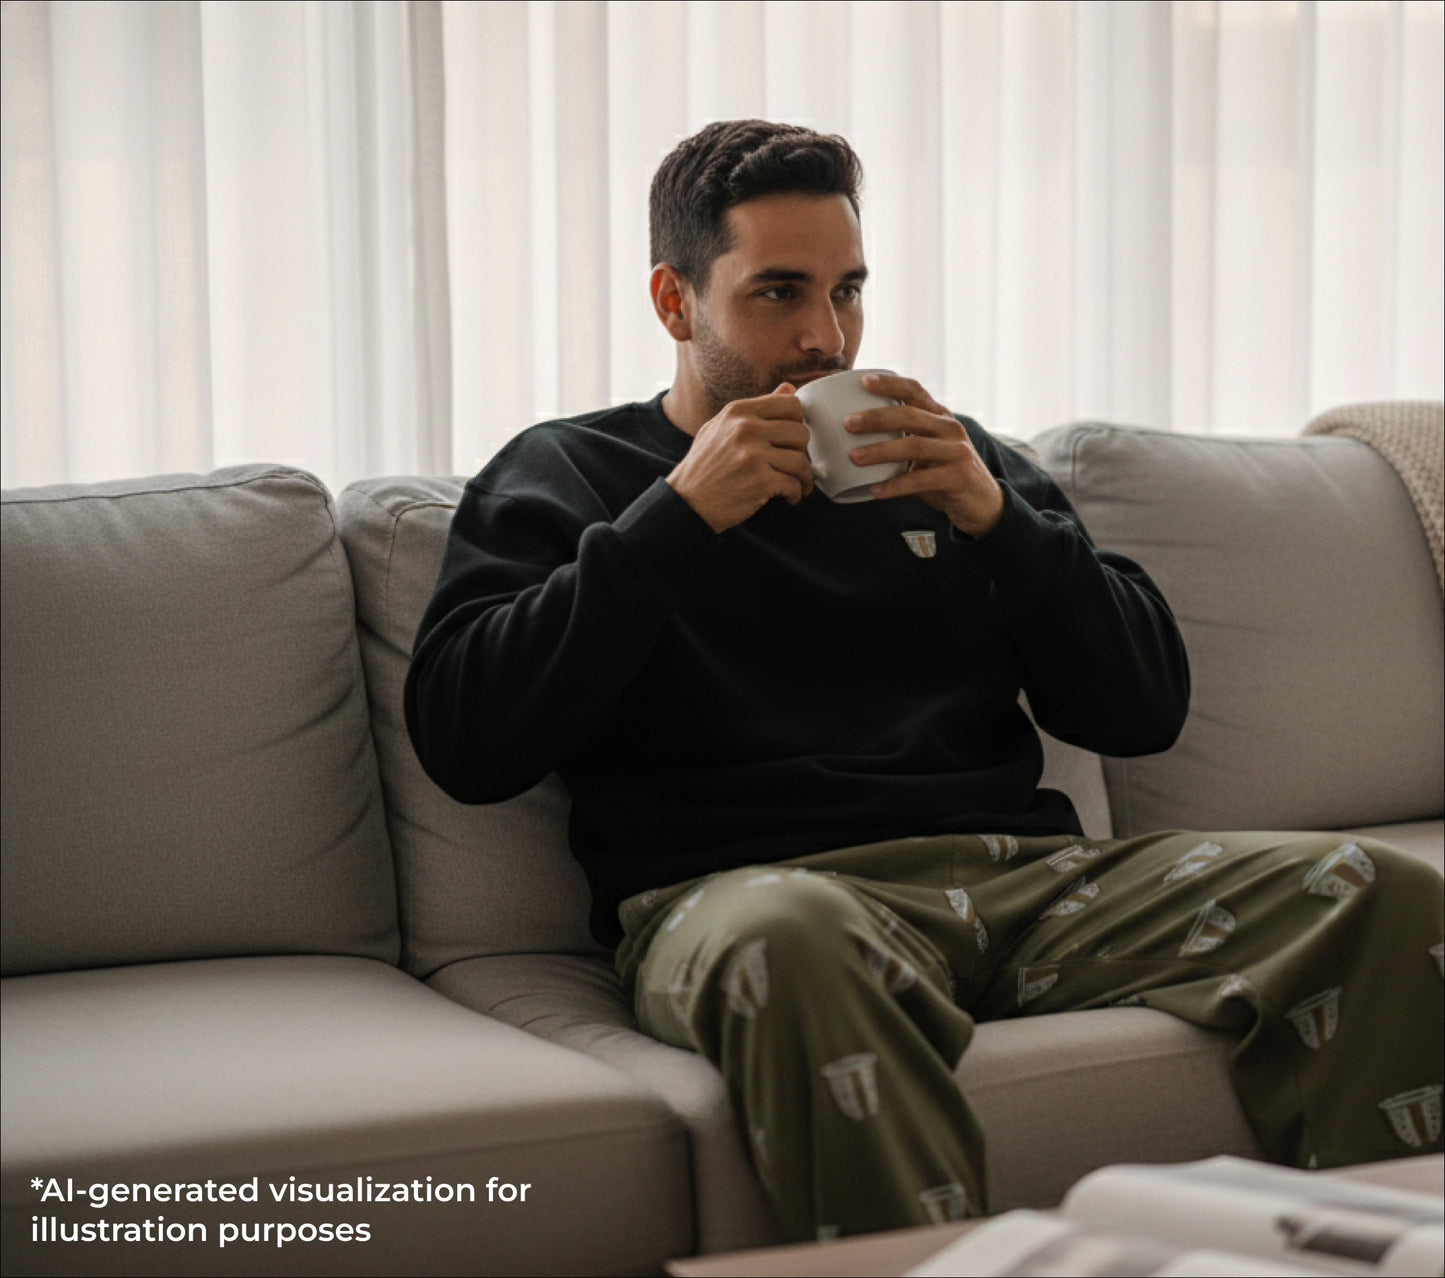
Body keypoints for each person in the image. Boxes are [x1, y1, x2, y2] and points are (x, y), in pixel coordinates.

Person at [405, 119, 1444, 1242]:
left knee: (1375, 891)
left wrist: (1002, 525)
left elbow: (1141, 711)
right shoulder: (569, 475)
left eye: (847, 290)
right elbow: (468, 740)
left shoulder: (951, 461)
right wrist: (673, 521)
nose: (824, 337)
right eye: (777, 294)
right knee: (789, 938)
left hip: (1020, 889)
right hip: (750, 898)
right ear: (674, 301)